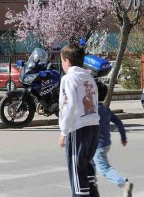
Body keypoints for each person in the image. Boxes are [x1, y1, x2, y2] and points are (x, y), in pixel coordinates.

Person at [58, 43, 101, 197]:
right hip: (94, 126)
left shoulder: (69, 78)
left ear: (67, 61)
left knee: (78, 177)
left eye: (62, 60)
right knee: (87, 172)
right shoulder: (88, 77)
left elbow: (68, 105)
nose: (62, 64)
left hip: (79, 128)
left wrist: (64, 131)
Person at [93, 81, 133, 197]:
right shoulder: (105, 109)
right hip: (105, 144)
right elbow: (119, 122)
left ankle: (123, 183)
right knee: (91, 165)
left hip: (97, 146)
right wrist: (123, 137)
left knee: (104, 169)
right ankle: (92, 186)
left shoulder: (93, 110)